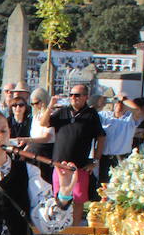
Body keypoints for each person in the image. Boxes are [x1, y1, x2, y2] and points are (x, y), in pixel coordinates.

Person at [34, 84, 103, 224]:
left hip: (79, 165)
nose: (73, 97)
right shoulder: (63, 111)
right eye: (71, 95)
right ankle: (56, 226)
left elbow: (101, 137)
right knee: (59, 199)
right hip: (60, 164)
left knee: (78, 199)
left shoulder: (91, 114)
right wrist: (51, 106)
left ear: (86, 97)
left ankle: (74, 231)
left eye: (77, 95)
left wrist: (95, 161)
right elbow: (44, 123)